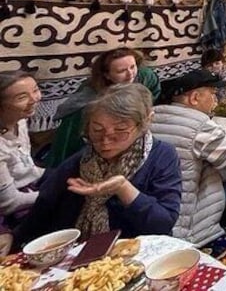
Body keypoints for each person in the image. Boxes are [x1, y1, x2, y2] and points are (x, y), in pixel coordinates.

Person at [15, 84, 181, 245]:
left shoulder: (162, 155)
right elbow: (44, 206)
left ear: (143, 125)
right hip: (82, 254)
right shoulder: (84, 159)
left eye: (120, 131)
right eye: (97, 130)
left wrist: (123, 188)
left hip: (137, 252)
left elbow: (162, 223)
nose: (105, 141)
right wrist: (13, 237)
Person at [151, 69, 226, 245]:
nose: (216, 100)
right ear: (194, 98)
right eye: (213, 94)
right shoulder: (201, 126)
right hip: (188, 220)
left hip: (153, 212)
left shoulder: (151, 116)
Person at [49, 47, 161, 166]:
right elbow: (67, 145)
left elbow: (153, 88)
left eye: (133, 67)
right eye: (121, 71)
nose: (130, 74)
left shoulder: (143, 77)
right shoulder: (87, 103)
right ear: (107, 75)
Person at [0, 72, 45, 221]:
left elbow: (27, 168)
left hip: (32, 186)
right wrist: (55, 190)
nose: (34, 99)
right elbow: (9, 203)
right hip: (12, 211)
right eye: (22, 97)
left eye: (35, 90)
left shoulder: (20, 120)